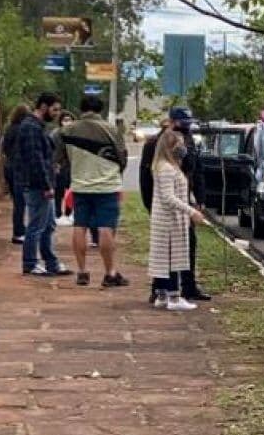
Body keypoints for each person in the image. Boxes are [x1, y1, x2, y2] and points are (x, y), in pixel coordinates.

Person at [140, 107, 210, 301]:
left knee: (187, 245)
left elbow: (197, 171)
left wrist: (200, 199)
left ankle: (189, 286)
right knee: (164, 250)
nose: (185, 127)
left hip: (183, 199)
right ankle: (160, 289)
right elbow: (145, 179)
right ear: (170, 121)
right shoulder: (155, 143)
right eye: (181, 123)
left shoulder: (189, 141)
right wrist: (150, 206)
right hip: (164, 204)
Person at [59, 93, 129, 288]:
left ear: (81, 109)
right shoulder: (111, 130)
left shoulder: (68, 130)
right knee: (106, 228)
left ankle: (82, 271)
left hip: (80, 185)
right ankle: (110, 273)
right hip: (107, 186)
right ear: (100, 110)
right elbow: (122, 156)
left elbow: (60, 156)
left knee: (79, 225)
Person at [11, 92, 68, 277]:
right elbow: (34, 159)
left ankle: (51, 261)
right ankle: (30, 263)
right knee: (36, 225)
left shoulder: (37, 127)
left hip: (41, 182)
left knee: (48, 224)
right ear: (44, 107)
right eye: (55, 109)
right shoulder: (31, 128)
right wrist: (46, 185)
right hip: (36, 185)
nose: (57, 113)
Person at [0, 104, 31, 244]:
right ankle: (19, 232)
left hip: (9, 167)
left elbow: (4, 149)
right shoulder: (26, 130)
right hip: (21, 169)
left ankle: (19, 231)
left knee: (17, 202)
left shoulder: (9, 130)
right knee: (22, 202)